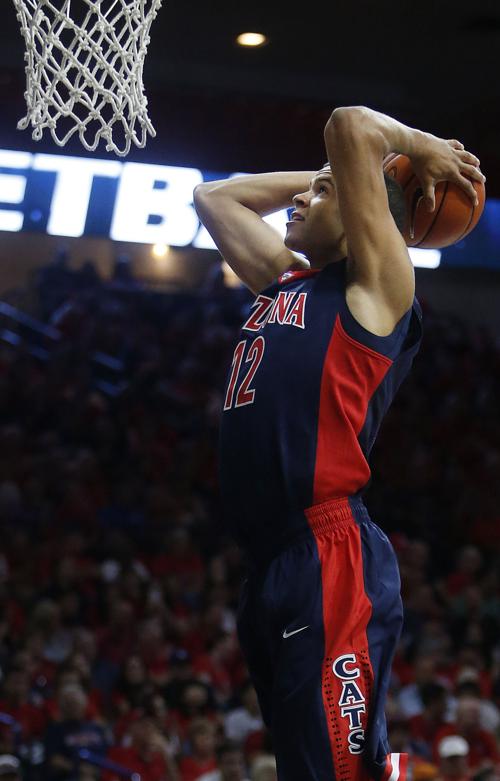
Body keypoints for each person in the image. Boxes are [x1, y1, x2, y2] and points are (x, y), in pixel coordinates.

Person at [194, 106, 483, 781]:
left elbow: (351, 124)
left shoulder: (378, 290)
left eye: (325, 190)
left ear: (365, 218)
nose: (299, 196)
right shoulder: (287, 281)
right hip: (270, 561)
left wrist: (410, 151)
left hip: (328, 553)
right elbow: (215, 195)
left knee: (339, 772)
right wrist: (336, 180)